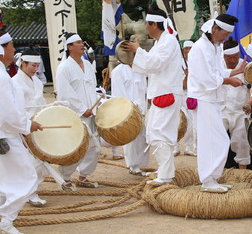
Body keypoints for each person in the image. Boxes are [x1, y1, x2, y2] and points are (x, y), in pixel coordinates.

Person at [0, 31, 43, 234]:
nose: (14, 50)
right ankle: (6, 220)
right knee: (26, 178)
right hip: (4, 135)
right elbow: (6, 114)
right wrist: (27, 125)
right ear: (1, 49)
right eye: (12, 46)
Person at [121, 5, 185, 186]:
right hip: (161, 93)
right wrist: (136, 53)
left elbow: (155, 64)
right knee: (154, 133)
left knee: (160, 134)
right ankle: (165, 171)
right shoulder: (161, 42)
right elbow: (149, 66)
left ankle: (165, 175)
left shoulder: (169, 41)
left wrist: (137, 50)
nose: (145, 27)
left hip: (167, 94)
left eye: (147, 24)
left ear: (154, 24)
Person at [188, 13, 245, 193]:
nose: (226, 38)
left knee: (218, 140)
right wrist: (229, 81)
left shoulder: (214, 47)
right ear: (215, 29)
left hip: (212, 99)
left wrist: (236, 72)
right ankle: (207, 180)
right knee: (211, 140)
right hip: (203, 99)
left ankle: (212, 178)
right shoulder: (200, 48)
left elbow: (219, 72)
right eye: (225, 34)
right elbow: (205, 79)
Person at [56, 33, 103, 189]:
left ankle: (83, 177)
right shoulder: (64, 68)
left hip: (91, 112)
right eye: (78, 42)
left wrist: (96, 104)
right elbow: (65, 93)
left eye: (82, 42)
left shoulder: (88, 65)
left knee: (95, 147)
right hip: (76, 115)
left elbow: (92, 87)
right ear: (69, 47)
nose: (82, 44)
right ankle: (66, 177)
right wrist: (82, 109)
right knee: (76, 148)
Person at [11, 49, 48, 207]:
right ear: (22, 63)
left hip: (37, 125)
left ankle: (30, 190)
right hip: (23, 127)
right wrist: (24, 128)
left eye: (38, 66)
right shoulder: (14, 82)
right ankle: (30, 193)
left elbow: (42, 104)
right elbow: (14, 110)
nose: (35, 69)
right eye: (33, 65)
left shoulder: (38, 82)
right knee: (31, 162)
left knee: (42, 160)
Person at [221, 39, 252, 169]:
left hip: (240, 111)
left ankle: (242, 175)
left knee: (241, 142)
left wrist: (249, 102)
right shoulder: (217, 66)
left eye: (235, 57)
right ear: (224, 56)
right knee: (216, 140)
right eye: (229, 58)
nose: (232, 60)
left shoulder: (247, 67)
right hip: (221, 110)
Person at [110, 59, 149, 176]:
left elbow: (145, 90)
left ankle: (141, 165)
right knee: (131, 138)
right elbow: (118, 93)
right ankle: (133, 165)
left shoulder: (141, 69)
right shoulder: (118, 71)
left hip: (142, 109)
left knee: (143, 138)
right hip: (128, 110)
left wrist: (145, 106)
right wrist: (130, 108)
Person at [181, 40, 197, 156]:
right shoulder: (179, 63)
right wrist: (187, 75)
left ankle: (189, 147)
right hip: (181, 95)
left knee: (192, 122)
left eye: (190, 48)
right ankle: (176, 147)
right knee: (180, 120)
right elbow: (183, 85)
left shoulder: (196, 62)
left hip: (193, 95)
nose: (188, 50)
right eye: (186, 48)